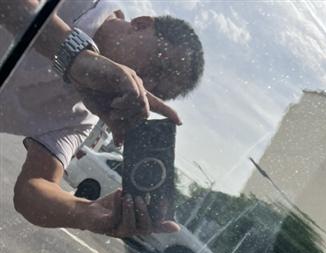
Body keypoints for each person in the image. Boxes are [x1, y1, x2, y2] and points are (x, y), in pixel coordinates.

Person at [0, 1, 204, 237]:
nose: (143, 84)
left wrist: (86, 213)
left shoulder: (82, 115)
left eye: (155, 90)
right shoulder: (81, 4)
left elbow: (33, 188)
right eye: (158, 66)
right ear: (141, 24)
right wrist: (76, 58)